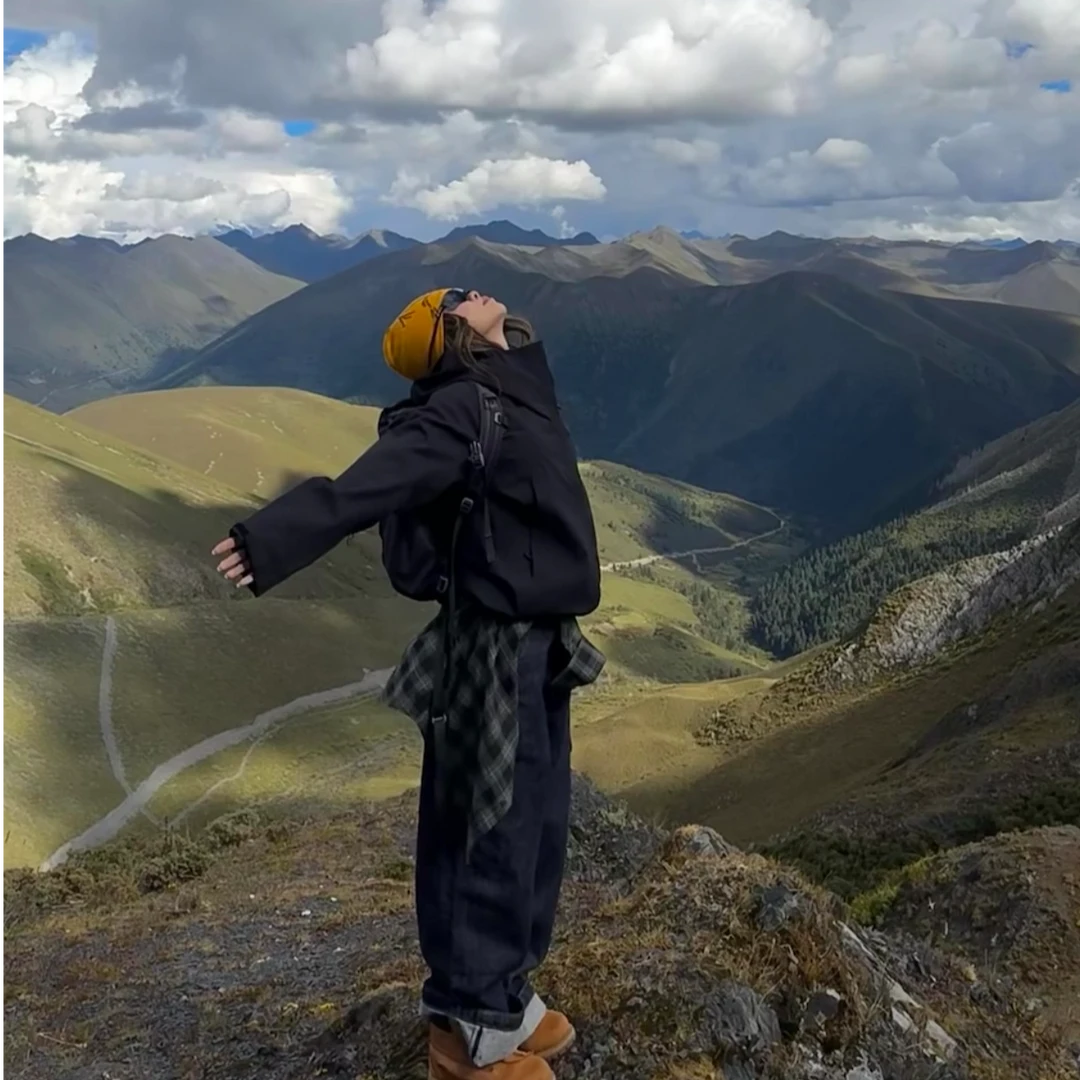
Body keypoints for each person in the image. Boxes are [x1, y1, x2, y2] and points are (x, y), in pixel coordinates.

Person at [211, 288, 605, 1080]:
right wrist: (271, 539)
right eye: (456, 300)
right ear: (452, 335)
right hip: (492, 647)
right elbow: (369, 487)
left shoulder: (509, 388)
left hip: (538, 641)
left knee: (533, 824)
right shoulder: (461, 411)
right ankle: (467, 1041)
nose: (475, 290)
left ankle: (504, 996)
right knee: (486, 830)